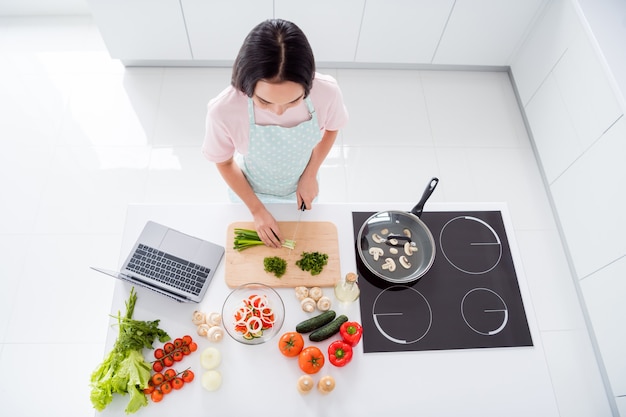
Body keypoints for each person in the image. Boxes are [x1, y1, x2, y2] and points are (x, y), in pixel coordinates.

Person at [202, 19, 349, 248]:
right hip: (249, 192)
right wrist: (257, 210)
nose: (279, 111)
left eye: (294, 100)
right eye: (264, 101)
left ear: (308, 83)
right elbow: (223, 162)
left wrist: (310, 174)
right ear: (246, 85)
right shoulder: (224, 110)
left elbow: (332, 128)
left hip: (303, 187)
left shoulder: (327, 92)